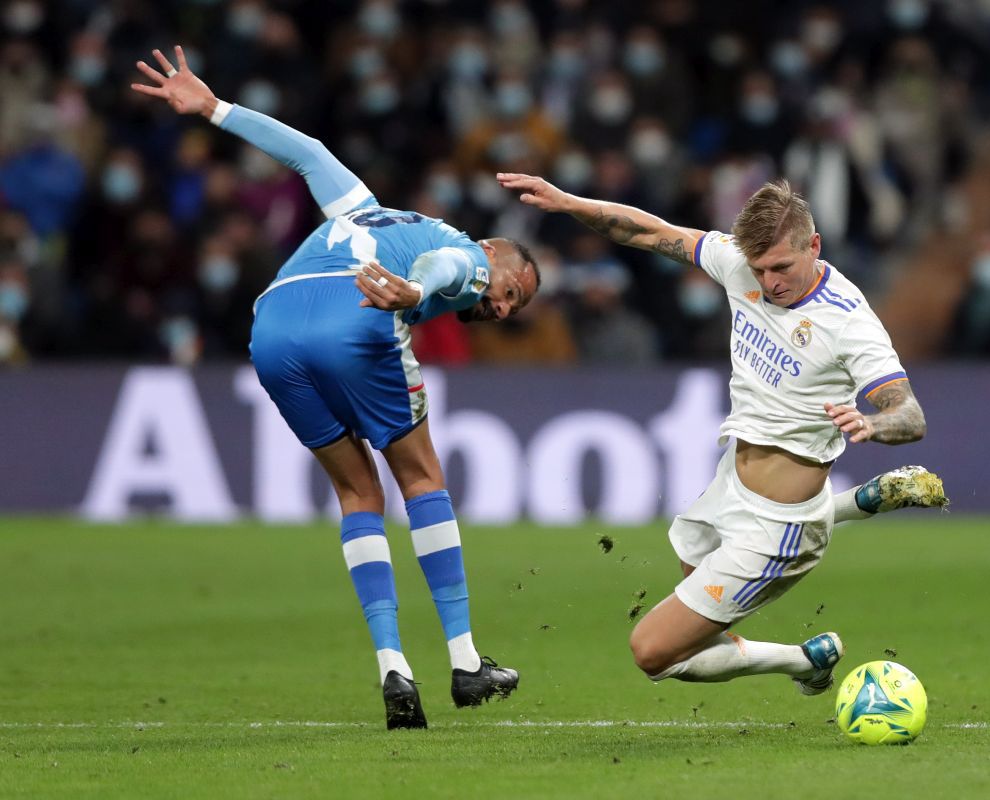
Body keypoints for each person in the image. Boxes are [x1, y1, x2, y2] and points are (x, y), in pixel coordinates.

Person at [132, 47, 534, 729]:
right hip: (356, 319)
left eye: (511, 310)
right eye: (510, 292)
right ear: (497, 253)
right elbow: (445, 265)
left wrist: (214, 108)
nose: (500, 306)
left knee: (356, 493)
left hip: (274, 327)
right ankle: (466, 663)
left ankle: (393, 669)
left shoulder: (369, 210)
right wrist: (413, 290)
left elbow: (308, 152)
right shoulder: (467, 254)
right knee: (424, 482)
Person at [498, 170, 941, 694]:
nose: (770, 281)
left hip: (779, 530)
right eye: (759, 268)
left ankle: (804, 660)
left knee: (656, 652)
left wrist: (873, 421)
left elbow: (910, 414)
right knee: (701, 623)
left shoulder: (848, 322)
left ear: (814, 246)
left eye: (782, 266)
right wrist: (570, 202)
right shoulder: (742, 267)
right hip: (729, 485)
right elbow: (647, 231)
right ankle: (857, 503)